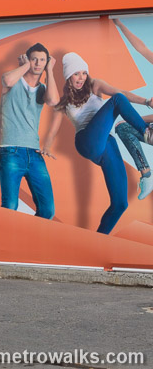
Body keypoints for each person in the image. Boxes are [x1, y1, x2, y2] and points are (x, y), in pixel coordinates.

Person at [47, 52, 153, 234]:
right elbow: (53, 127)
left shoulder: (95, 84)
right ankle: (146, 132)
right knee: (117, 100)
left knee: (120, 203)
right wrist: (46, 146)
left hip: (105, 143)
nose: (81, 78)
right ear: (68, 77)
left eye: (83, 73)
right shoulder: (64, 101)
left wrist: (146, 102)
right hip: (86, 141)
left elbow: (123, 93)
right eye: (76, 74)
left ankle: (98, 240)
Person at [0, 44, 59, 219]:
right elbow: (6, 81)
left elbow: (54, 101)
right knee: (10, 206)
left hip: (34, 153)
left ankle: (28, 242)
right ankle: (5, 245)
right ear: (27, 59)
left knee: (48, 210)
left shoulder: (43, 90)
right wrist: (24, 66)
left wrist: (51, 71)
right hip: (10, 150)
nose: (37, 64)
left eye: (42, 60)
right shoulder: (12, 81)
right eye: (34, 59)